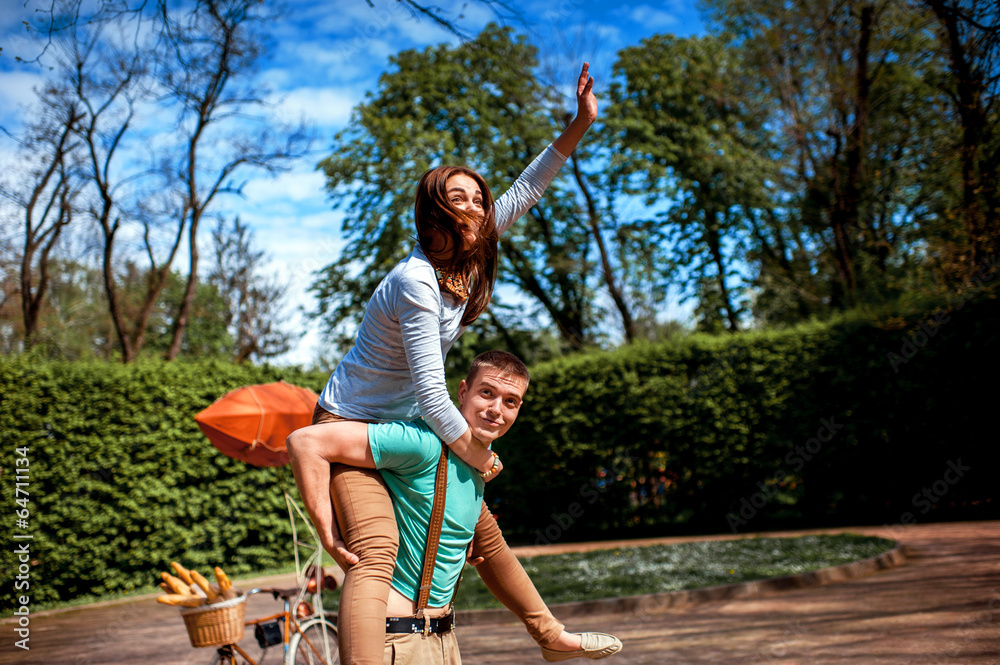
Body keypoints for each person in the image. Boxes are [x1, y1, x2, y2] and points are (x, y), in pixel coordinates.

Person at [287, 63, 599, 664]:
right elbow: (434, 392)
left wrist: (577, 125)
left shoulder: (473, 252)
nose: (476, 206)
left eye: (479, 198)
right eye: (459, 198)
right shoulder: (416, 281)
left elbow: (527, 190)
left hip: (405, 423)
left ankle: (550, 637)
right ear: (434, 213)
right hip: (350, 420)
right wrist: (475, 451)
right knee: (375, 550)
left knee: (478, 527)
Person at [296, 351, 623, 663]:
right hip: (394, 643)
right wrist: (328, 533)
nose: (497, 409)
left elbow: (495, 555)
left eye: (510, 401)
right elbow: (306, 442)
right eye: (486, 393)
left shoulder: (475, 467)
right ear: (462, 393)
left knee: (491, 543)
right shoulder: (423, 442)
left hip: (443, 640)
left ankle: (551, 636)